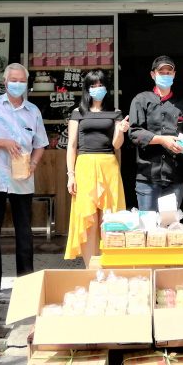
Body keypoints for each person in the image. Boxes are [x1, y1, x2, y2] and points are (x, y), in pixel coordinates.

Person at [0, 63, 48, 298]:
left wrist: (33, 164)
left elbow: (40, 144)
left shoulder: (33, 111)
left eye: (21, 80)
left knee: (24, 232)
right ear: (5, 82)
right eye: (13, 80)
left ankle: (26, 281)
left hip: (22, 179)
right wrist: (2, 142)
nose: (17, 84)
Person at [64, 70, 130, 267]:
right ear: (87, 89)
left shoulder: (115, 113)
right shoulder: (78, 113)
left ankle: (109, 266)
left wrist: (121, 131)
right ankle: (90, 268)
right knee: (88, 220)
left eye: (100, 85)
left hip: (108, 164)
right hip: (84, 166)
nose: (97, 89)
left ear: (106, 88)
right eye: (93, 85)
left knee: (109, 220)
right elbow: (72, 145)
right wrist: (70, 175)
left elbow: (117, 145)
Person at [128, 55, 183, 211]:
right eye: (161, 72)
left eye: (168, 72)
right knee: (148, 223)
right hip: (147, 177)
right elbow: (134, 132)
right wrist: (162, 140)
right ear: (153, 75)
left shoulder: (182, 104)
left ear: (174, 75)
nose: (165, 75)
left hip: (175, 176)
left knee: (169, 223)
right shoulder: (141, 100)